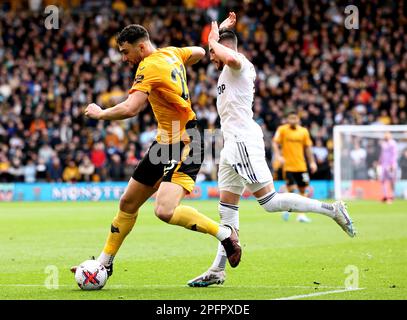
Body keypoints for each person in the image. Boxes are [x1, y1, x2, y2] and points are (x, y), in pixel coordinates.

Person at [187, 13, 355, 287]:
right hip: (230, 144)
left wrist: (213, 39)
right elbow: (223, 57)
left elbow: (228, 56)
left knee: (269, 202)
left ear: (225, 47)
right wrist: (216, 37)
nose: (211, 57)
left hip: (243, 141)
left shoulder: (240, 64)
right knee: (227, 211)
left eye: (212, 52)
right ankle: (217, 270)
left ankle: (332, 209)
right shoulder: (226, 71)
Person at [71, 24, 241, 280]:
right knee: (128, 203)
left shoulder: (148, 66)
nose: (124, 58)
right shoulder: (172, 53)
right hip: (165, 140)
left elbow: (131, 108)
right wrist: (186, 62)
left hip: (187, 140)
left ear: (141, 47)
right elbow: (198, 52)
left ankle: (224, 234)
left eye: (126, 52)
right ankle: (105, 263)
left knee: (164, 210)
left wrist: (101, 113)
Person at [272, 112, 317, 223]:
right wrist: (278, 156)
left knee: (303, 190)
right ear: (287, 119)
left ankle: (300, 215)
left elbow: (308, 148)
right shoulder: (282, 130)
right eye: (290, 118)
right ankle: (288, 209)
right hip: (288, 166)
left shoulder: (303, 131)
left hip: (301, 166)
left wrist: (312, 162)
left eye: (295, 118)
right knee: (292, 190)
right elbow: (274, 143)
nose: (293, 120)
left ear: (298, 119)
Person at [378, 132, 398, 204]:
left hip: (390, 165)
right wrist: (379, 161)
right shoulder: (384, 144)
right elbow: (382, 154)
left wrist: (392, 164)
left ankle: (392, 196)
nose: (385, 136)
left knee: (392, 181)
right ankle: (385, 196)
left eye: (387, 135)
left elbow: (394, 154)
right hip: (384, 165)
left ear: (390, 136)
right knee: (383, 180)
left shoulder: (393, 143)